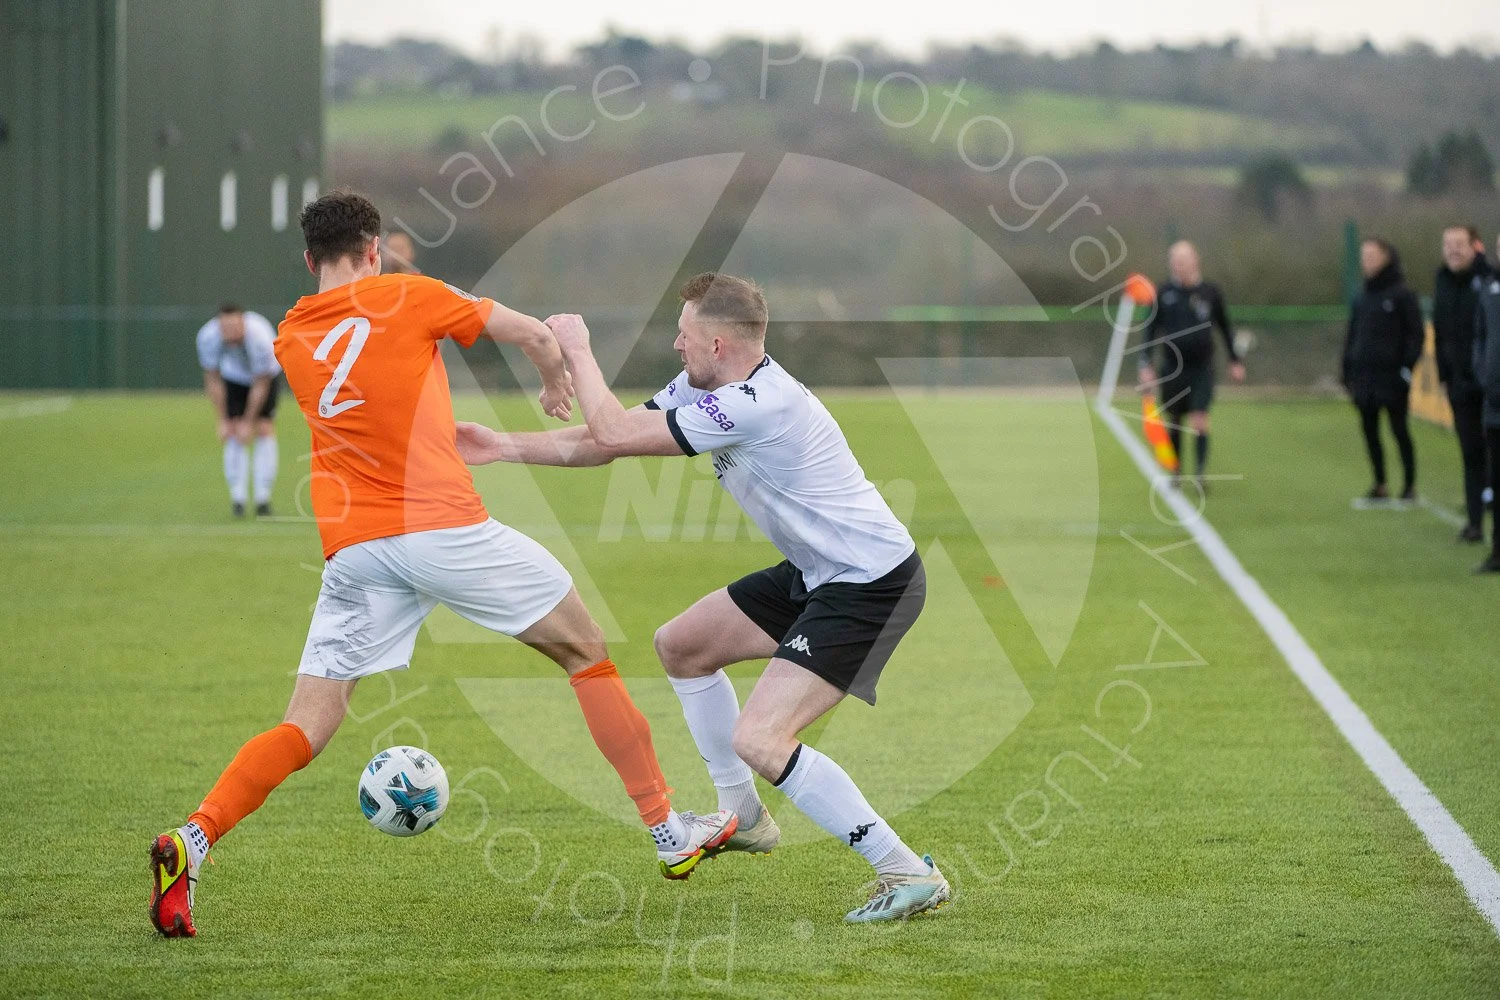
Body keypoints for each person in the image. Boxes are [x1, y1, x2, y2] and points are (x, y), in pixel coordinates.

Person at [148, 192, 733, 939]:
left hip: (354, 549)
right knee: (586, 652)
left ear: (307, 260)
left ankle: (192, 839)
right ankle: (667, 833)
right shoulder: (409, 292)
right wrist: (556, 381)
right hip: (442, 527)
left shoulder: (292, 334)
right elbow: (531, 334)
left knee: (305, 726)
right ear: (374, 249)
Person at [455, 273, 950, 923]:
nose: (673, 345)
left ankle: (905, 870)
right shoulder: (705, 384)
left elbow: (613, 434)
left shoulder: (759, 401)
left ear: (717, 342)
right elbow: (610, 438)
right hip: (818, 571)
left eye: (683, 335)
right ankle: (741, 812)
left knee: (764, 738)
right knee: (682, 645)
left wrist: (577, 349)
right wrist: (500, 448)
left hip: (870, 582)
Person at [1136, 241, 1245, 489]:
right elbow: (1150, 330)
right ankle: (1176, 470)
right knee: (1174, 421)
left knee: (1199, 419)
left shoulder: (1210, 292)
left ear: (1195, 261)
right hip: (1172, 368)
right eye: (1175, 261)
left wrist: (1235, 360)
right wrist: (1146, 363)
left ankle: (1199, 473)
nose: (1179, 266)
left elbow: (1225, 328)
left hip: (1201, 369)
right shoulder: (1163, 293)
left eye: (1183, 261)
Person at [1343, 238, 1424, 501]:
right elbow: (1352, 335)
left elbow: (1416, 335)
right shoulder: (1361, 296)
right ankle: (1380, 483)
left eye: (1372, 255)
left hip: (1392, 378)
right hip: (1364, 377)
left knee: (1399, 429)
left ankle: (1409, 485)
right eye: (1364, 256)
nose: (1366, 261)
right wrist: (1347, 370)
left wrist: (1406, 368)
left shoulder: (1402, 295)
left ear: (1387, 257)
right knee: (1369, 430)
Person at [1433, 226, 1493, 542]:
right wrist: (1444, 375)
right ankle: (1474, 524)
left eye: (1459, 244)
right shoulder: (1441, 281)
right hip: (1459, 383)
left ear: (1475, 247)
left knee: (1492, 453)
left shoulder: (1488, 281)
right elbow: (1440, 333)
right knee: (1470, 454)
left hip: (1490, 385)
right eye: (1448, 244)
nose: (1453, 250)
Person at [196, 304, 281, 517]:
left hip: (264, 377)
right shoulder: (207, 337)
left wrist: (249, 421)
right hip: (233, 376)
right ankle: (238, 499)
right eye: (225, 327)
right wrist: (222, 419)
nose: (230, 332)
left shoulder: (261, 338)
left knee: (263, 428)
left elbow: (261, 384)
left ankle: (263, 498)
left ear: (244, 323)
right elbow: (213, 378)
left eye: (234, 326)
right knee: (233, 430)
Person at [1471, 238, 1500, 574]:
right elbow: (1479, 336)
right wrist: (1483, 374)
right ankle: (1497, 551)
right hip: (1494, 403)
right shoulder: (1489, 288)